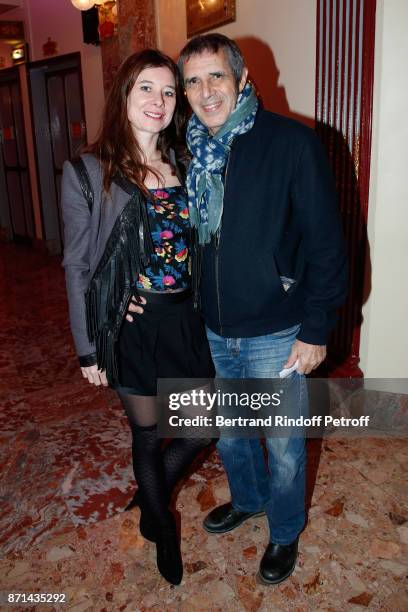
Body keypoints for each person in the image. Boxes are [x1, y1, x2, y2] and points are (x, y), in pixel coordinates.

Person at [128, 34, 348, 585]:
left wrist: (316, 327)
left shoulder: (293, 144)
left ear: (242, 80)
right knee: (230, 436)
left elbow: (329, 245)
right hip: (211, 328)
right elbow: (156, 232)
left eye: (216, 77)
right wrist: (126, 289)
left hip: (279, 329)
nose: (205, 92)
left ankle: (285, 531)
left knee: (285, 445)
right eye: (194, 81)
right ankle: (248, 502)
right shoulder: (185, 152)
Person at [61, 49, 215, 586]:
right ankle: (163, 530)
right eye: (146, 89)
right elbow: (78, 262)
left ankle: (150, 502)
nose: (159, 101)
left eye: (169, 91)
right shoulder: (89, 169)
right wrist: (89, 346)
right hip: (134, 326)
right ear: (124, 95)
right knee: (148, 436)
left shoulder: (187, 164)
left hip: (187, 320)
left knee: (200, 430)